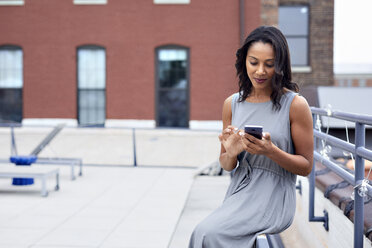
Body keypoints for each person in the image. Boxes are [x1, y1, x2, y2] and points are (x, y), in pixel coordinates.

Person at [188, 25, 313, 248]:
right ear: (244, 61)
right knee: (204, 234)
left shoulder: (295, 105)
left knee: (207, 234)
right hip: (239, 192)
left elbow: (306, 167)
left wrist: (271, 151)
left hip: (274, 196)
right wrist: (232, 152)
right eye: (254, 62)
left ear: (281, 65)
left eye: (269, 64)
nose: (260, 71)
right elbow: (226, 165)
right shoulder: (232, 104)